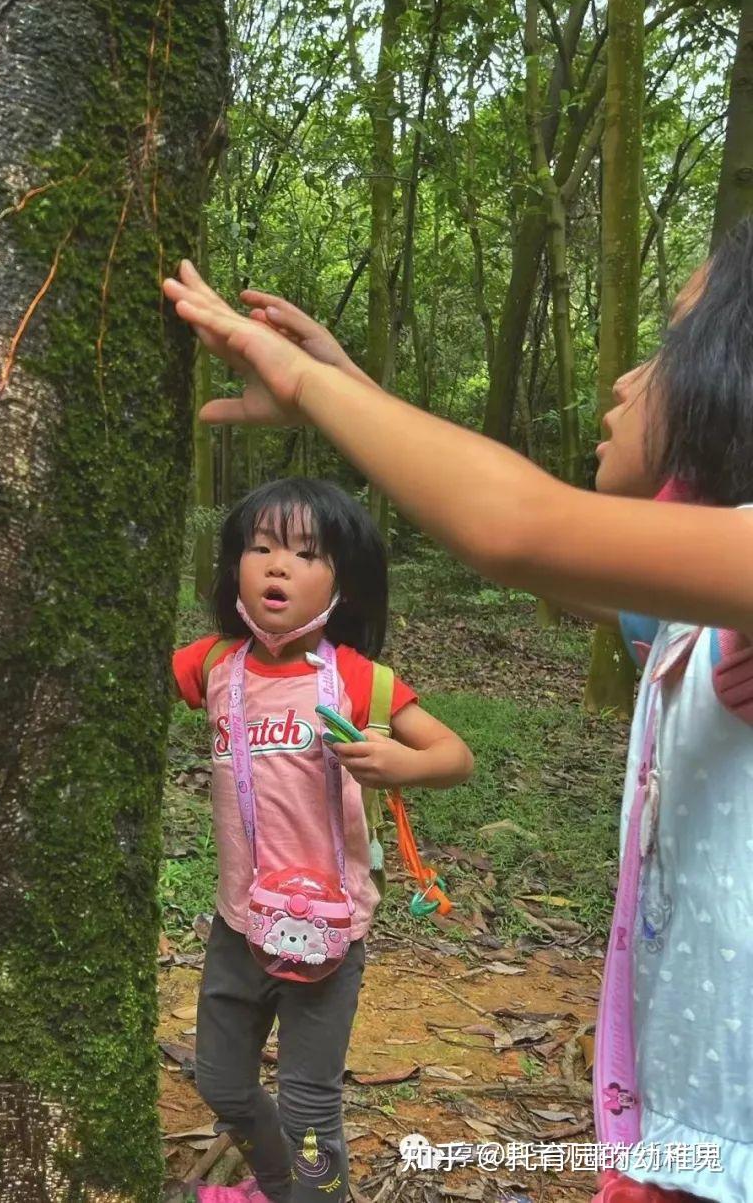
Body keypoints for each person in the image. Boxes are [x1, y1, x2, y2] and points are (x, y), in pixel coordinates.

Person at [164, 222, 753, 1203]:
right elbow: (563, 572)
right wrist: (352, 386)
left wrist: (307, 383)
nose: (623, 381)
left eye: (670, 345)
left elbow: (518, 529)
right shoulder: (700, 621)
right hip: (684, 1135)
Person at [173, 477, 472, 1203]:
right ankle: (281, 1187)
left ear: (346, 577)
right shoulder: (212, 665)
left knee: (310, 1105)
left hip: (330, 935)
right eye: (262, 547)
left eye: (308, 554)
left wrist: (401, 761)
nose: (278, 566)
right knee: (219, 1080)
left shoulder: (359, 680)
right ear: (233, 564)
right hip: (239, 923)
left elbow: (455, 756)